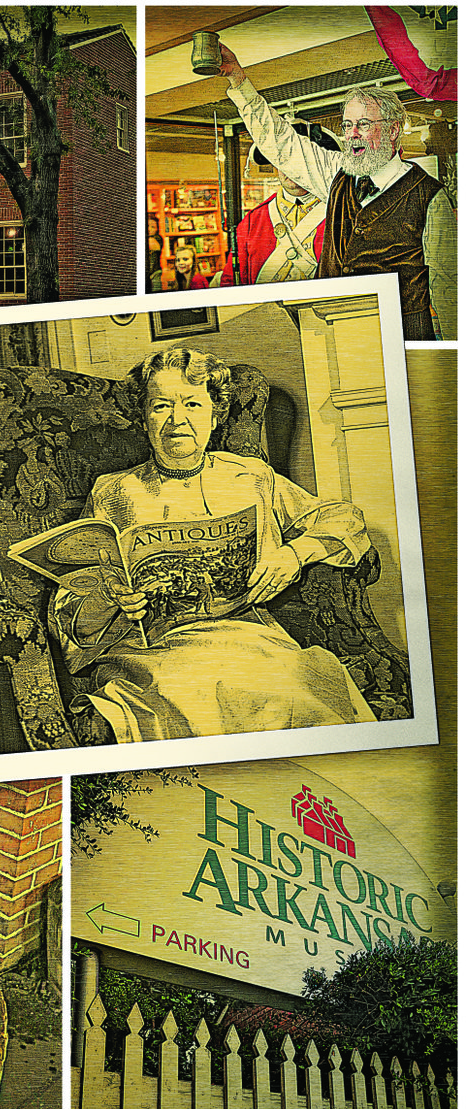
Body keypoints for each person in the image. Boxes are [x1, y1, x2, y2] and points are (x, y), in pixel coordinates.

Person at [50, 347, 377, 744]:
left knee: (297, 693)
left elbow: (344, 518)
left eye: (192, 404)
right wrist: (110, 596)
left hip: (251, 639)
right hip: (153, 650)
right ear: (143, 417)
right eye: (160, 406)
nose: (177, 420)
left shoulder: (252, 476)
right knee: (187, 693)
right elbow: (71, 603)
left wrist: (295, 553)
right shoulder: (113, 491)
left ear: (214, 414)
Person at [218, 42, 456, 340]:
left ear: (394, 130)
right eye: (347, 125)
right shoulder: (336, 172)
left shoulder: (430, 197)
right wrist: (239, 81)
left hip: (401, 338)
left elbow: (450, 290)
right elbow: (280, 142)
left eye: (364, 124)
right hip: (333, 337)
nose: (352, 134)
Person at [219, 124, 339, 286]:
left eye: (301, 159)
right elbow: (232, 282)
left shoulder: (341, 212)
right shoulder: (252, 221)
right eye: (282, 159)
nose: (290, 167)